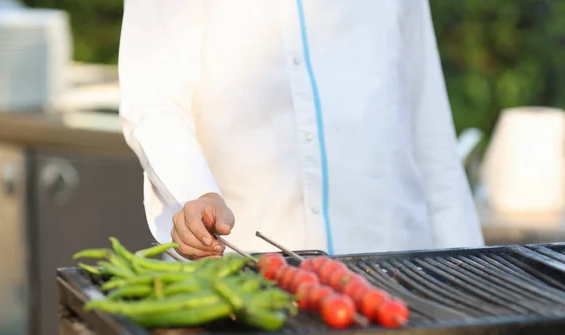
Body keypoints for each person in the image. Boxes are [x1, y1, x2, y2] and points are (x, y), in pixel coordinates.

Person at [119, 0, 484, 260]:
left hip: (397, 266)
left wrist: (472, 274)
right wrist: (194, 191)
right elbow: (154, 100)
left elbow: (429, 128)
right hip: (246, 264)